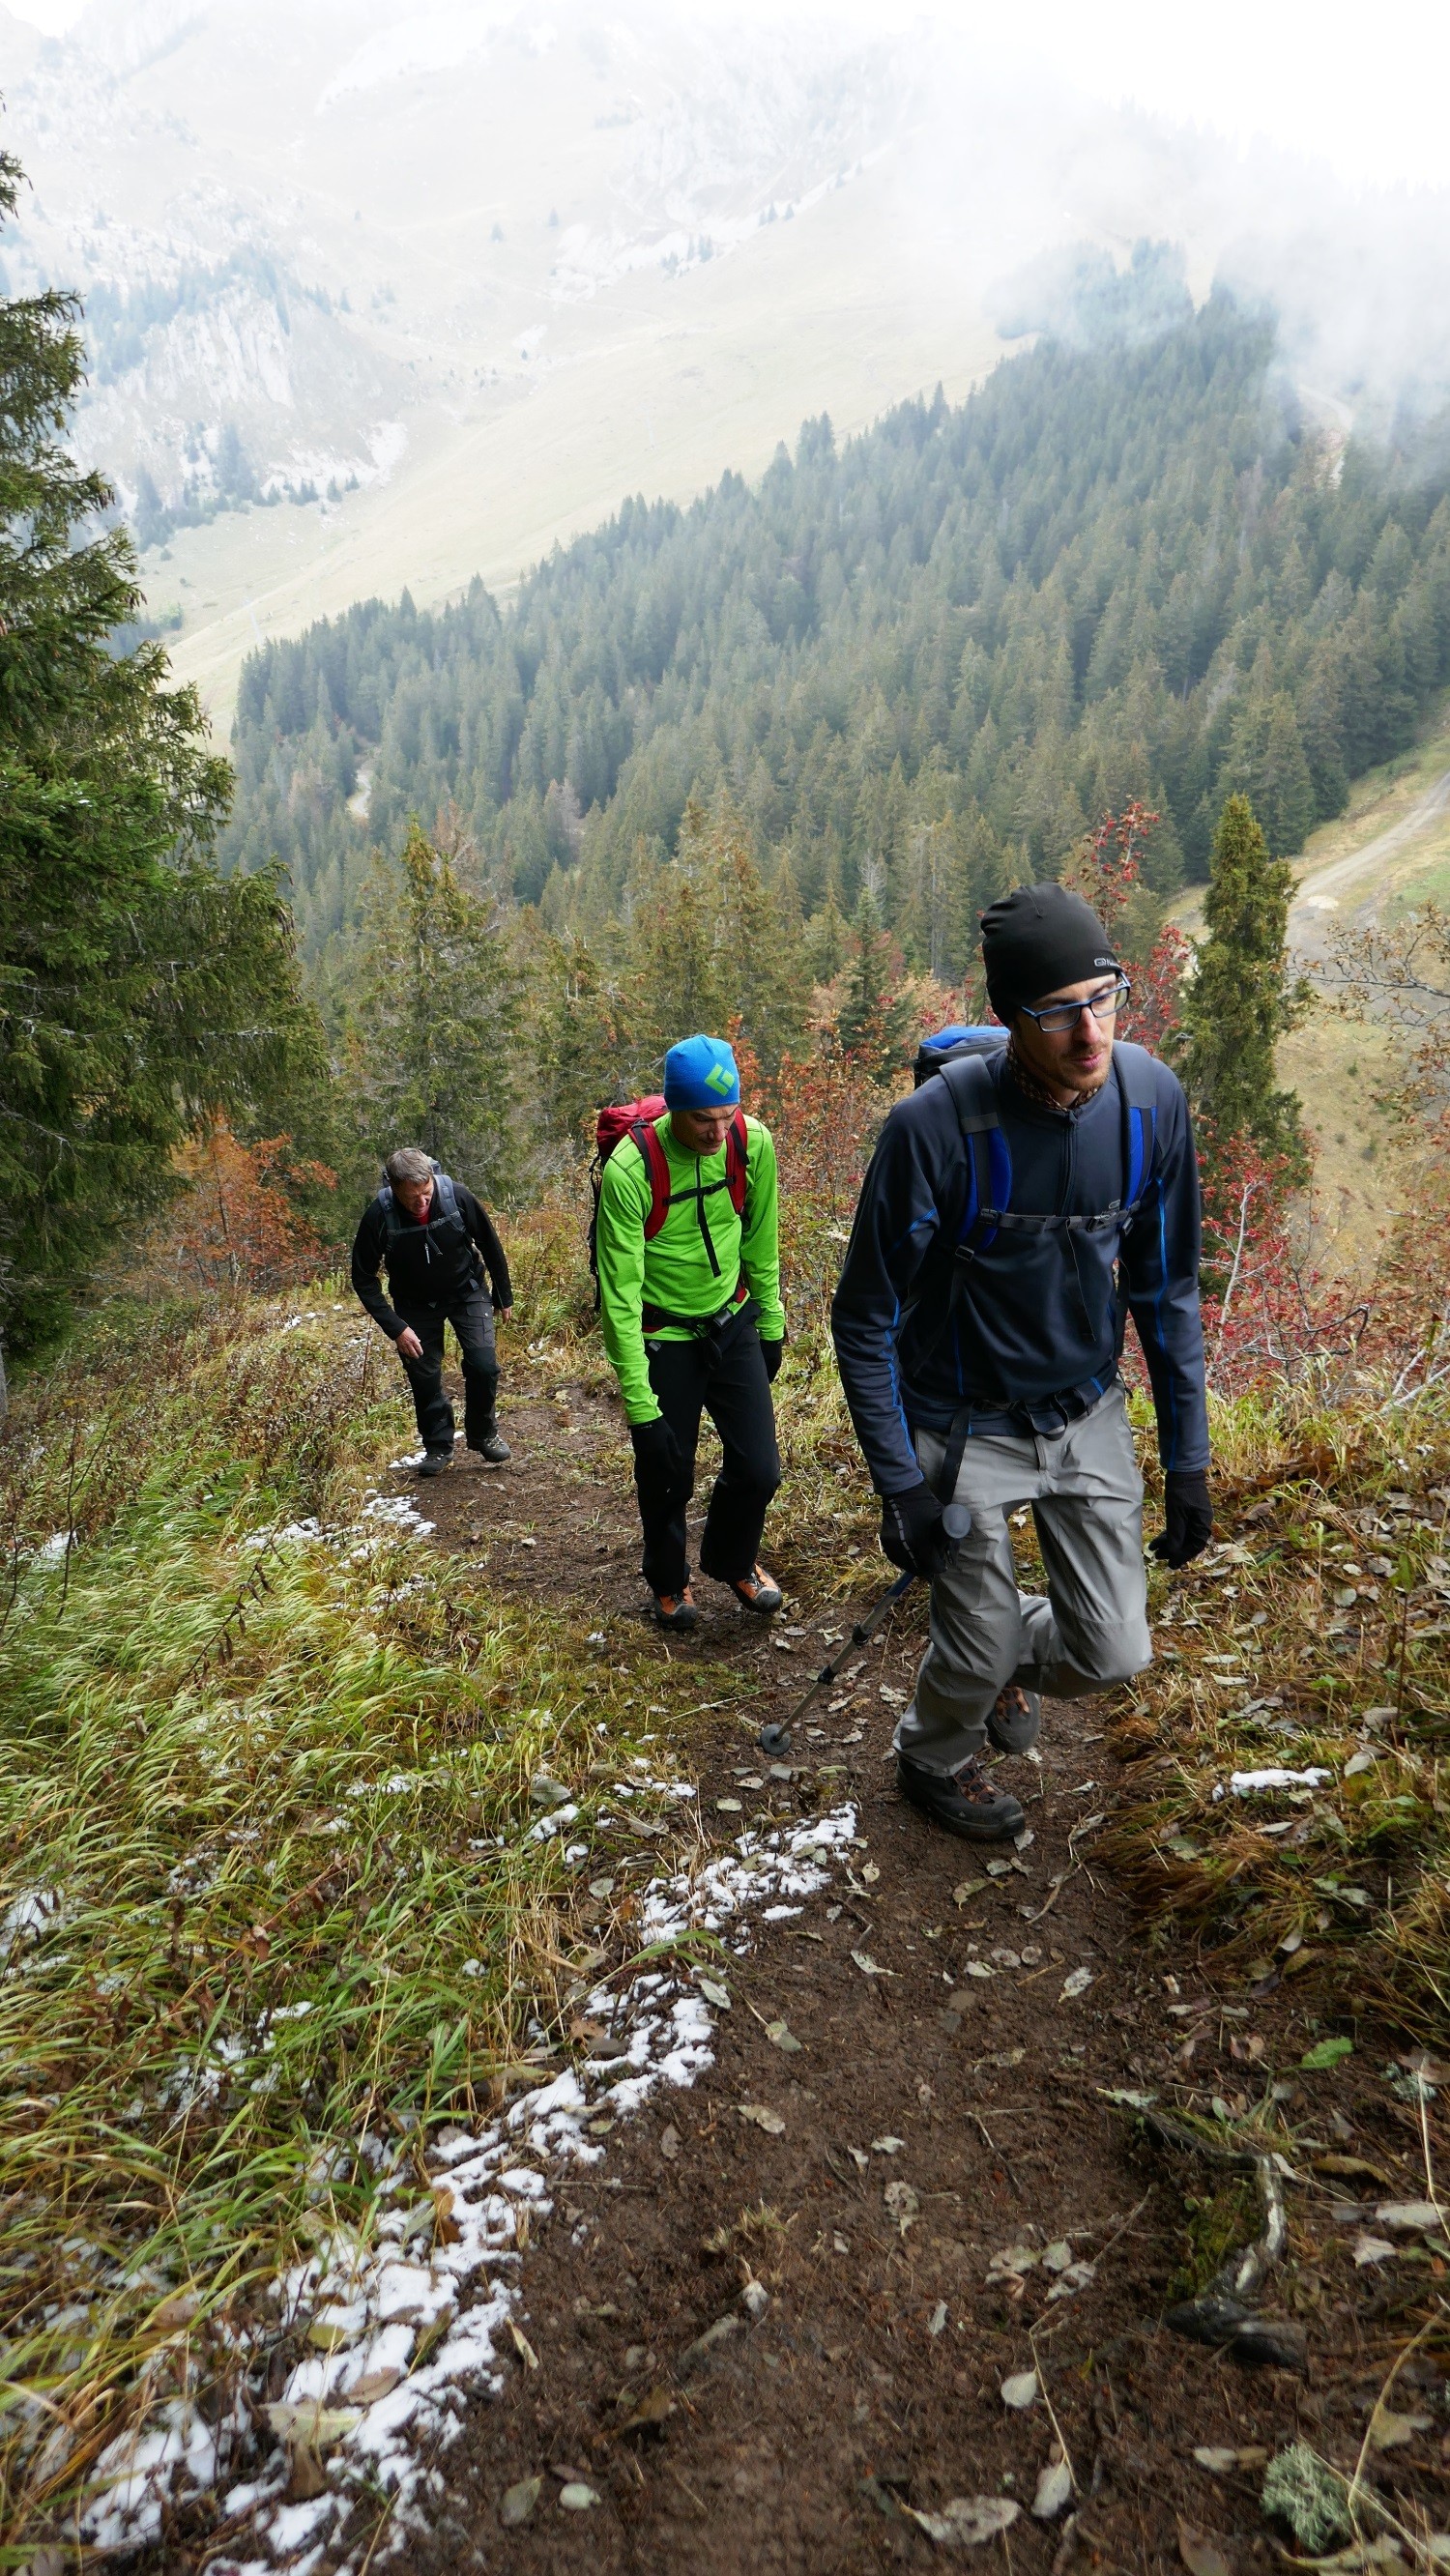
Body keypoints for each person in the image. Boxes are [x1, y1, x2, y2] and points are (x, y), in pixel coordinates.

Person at [831, 883, 1212, 1842]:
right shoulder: (932, 1132)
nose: (1091, 1034)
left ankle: (998, 1653)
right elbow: (864, 1317)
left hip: (1083, 1411)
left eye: (1105, 997)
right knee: (972, 1642)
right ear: (1008, 1018)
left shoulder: (1148, 1102)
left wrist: (1189, 1457)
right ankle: (932, 1754)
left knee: (1113, 1650)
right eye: (1057, 1012)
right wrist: (899, 1486)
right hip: (958, 1423)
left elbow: (1165, 1287)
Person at [595, 1033, 786, 1631]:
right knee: (666, 1471)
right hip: (662, 1336)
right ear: (676, 1109)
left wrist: (773, 1319)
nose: (717, 1132)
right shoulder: (632, 1170)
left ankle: (731, 1559)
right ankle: (669, 1581)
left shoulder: (751, 1143)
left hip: (733, 1322)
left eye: (727, 1116)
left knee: (760, 1469)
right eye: (704, 1119)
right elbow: (619, 1296)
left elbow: (761, 1237)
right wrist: (638, 1402)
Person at [351, 1146, 513, 1478]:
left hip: (467, 1291)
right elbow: (363, 1278)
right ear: (394, 1188)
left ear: (431, 1180)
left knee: (483, 1366)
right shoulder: (379, 1215)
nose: (421, 1202)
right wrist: (396, 1328)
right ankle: (438, 1447)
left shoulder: (457, 1196)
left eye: (426, 1193)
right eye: (412, 1198)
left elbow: (490, 1244)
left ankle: (483, 1434)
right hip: (413, 1305)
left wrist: (503, 1293)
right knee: (423, 1376)